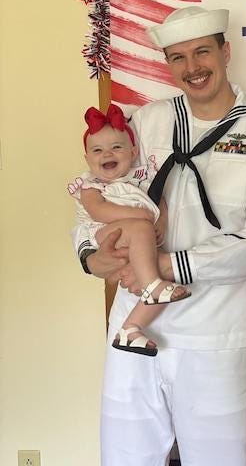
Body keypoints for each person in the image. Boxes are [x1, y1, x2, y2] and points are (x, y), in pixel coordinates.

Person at [71, 5, 246, 465]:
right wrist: (88, 254)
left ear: (225, 52)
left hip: (215, 334)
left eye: (202, 52)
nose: (192, 67)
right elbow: (97, 190)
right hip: (132, 328)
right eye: (178, 57)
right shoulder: (147, 123)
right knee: (124, 456)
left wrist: (167, 265)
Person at [70, 104, 191, 357]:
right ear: (87, 158)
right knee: (146, 252)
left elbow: (159, 201)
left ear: (133, 151)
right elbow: (99, 211)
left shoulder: (140, 179)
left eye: (116, 147)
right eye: (97, 150)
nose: (107, 154)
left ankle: (131, 329)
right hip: (100, 234)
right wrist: (140, 217)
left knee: (162, 279)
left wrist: (161, 221)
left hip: (135, 238)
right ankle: (151, 286)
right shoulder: (92, 185)